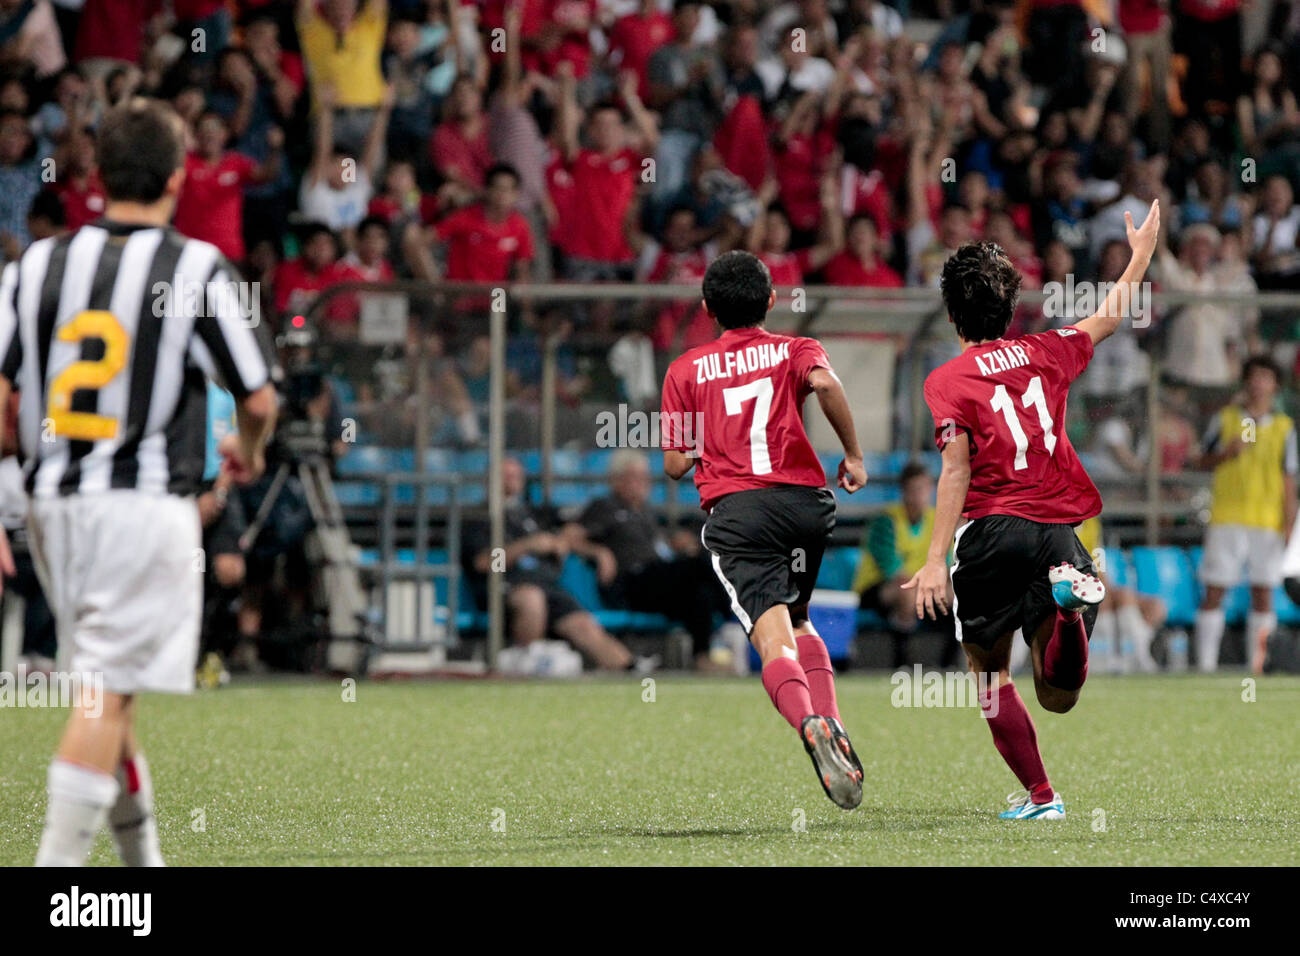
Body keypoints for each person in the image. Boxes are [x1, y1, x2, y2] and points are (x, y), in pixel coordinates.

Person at [0, 98, 279, 866]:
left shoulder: (37, 265)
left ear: (96, 170)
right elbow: (256, 396)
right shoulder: (192, 267)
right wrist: (247, 451)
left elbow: (1, 393)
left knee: (106, 688)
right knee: (105, 695)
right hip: (141, 505)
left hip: (50, 504)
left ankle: (143, 872)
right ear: (179, 176)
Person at [903, 201, 1160, 821]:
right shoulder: (1047, 350)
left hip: (992, 533)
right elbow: (1105, 318)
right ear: (1009, 308)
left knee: (990, 675)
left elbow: (956, 470)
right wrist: (1142, 255)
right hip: (1058, 537)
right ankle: (1068, 616)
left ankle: (1043, 798)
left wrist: (935, 559)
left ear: (952, 313)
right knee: (1059, 694)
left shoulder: (947, 380)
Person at [660, 249, 869, 810]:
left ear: (708, 308)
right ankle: (834, 724)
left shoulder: (684, 369)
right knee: (802, 618)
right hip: (805, 507)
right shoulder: (796, 349)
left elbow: (676, 465)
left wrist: (713, 441)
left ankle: (809, 725)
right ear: (772, 301)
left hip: (741, 515)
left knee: (771, 637)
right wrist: (852, 456)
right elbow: (825, 386)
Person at [460, 456, 646, 672]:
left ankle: (632, 670)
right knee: (532, 598)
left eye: (516, 475)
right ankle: (526, 665)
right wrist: (526, 547)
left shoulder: (531, 515)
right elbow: (485, 564)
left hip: (546, 586)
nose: (512, 480)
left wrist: (564, 547)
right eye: (506, 475)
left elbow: (570, 533)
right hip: (505, 588)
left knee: (582, 623)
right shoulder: (481, 517)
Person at [565, 449, 736, 671]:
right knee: (700, 563)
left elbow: (659, 549)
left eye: (646, 477)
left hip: (657, 581)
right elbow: (568, 536)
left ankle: (701, 657)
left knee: (700, 593)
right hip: (632, 582)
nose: (643, 483)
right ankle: (734, 620)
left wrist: (675, 545)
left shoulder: (646, 512)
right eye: (635, 477)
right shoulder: (604, 506)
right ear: (617, 480)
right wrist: (598, 552)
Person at [1194, 356, 1298, 674]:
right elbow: (1199, 460)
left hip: (1267, 521)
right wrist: (1226, 454)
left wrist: (1288, 522)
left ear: (1275, 385)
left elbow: (1288, 478)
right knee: (1215, 589)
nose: (1259, 383)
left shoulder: (1284, 428)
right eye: (1254, 376)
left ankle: (1257, 666)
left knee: (1263, 592)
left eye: (1266, 377)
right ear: (1246, 381)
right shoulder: (1224, 419)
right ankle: (1205, 668)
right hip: (1227, 517)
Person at [854, 462, 954, 668]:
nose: (918, 495)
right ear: (903, 491)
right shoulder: (886, 521)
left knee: (958, 594)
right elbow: (892, 570)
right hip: (877, 589)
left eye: (923, 489)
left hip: (923, 587)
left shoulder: (938, 520)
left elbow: (945, 566)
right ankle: (902, 662)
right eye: (913, 490)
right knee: (906, 590)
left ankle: (949, 664)